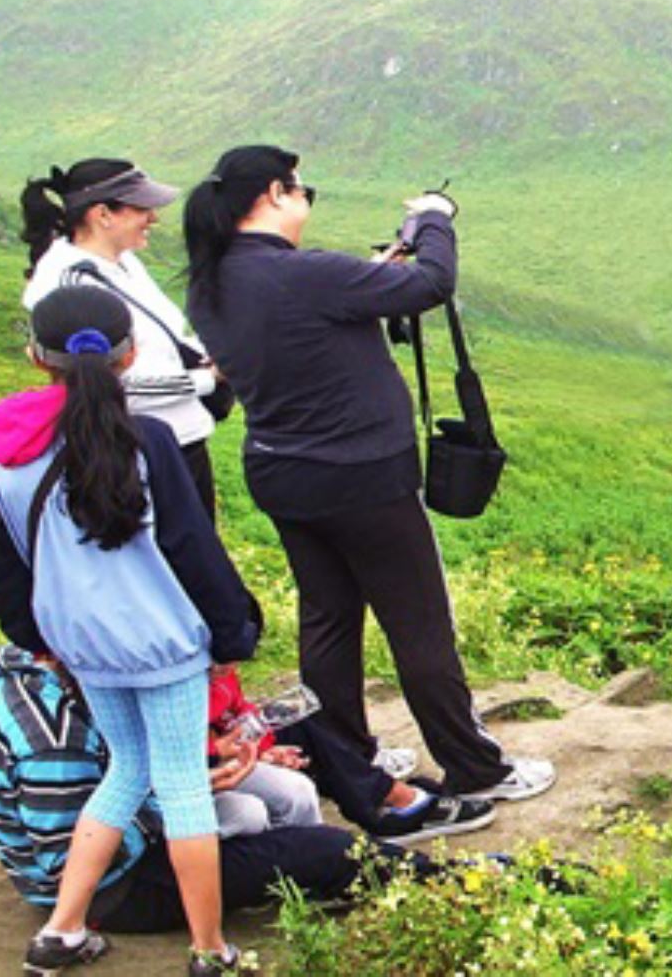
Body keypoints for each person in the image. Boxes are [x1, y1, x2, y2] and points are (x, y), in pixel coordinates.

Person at [183, 144, 553, 803]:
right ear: (272, 194)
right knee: (419, 625)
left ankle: (347, 758)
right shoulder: (309, 275)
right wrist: (435, 219)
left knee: (328, 620)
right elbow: (432, 284)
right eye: (303, 192)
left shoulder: (211, 283)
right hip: (364, 478)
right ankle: (476, 769)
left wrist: (367, 275)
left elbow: (305, 322)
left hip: (282, 472)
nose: (304, 202)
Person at [0, 285, 259, 975]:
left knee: (127, 769)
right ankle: (209, 948)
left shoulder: (0, 449)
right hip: (164, 643)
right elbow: (193, 548)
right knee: (183, 783)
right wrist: (234, 634)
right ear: (129, 356)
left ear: (35, 358)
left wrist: (42, 641)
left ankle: (63, 929)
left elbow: (1, 562)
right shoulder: (149, 440)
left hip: (83, 646)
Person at [0, 645, 452, 945]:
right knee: (320, 849)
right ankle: (459, 878)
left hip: (139, 822)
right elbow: (66, 862)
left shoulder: (65, 683)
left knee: (293, 731)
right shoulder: (53, 740)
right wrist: (186, 793)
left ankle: (392, 801)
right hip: (115, 891)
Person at [20, 158, 226, 519]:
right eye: (142, 208)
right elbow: (110, 383)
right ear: (103, 215)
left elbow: (167, 336)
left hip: (179, 438)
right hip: (141, 446)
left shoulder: (122, 261)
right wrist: (208, 379)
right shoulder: (71, 286)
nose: (153, 218)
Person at [206, 666, 497, 845]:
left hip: (225, 749)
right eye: (219, 661)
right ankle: (391, 802)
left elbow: (236, 708)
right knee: (255, 810)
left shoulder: (220, 668)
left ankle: (384, 800)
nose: (229, 667)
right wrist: (216, 752)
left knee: (299, 723)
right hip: (197, 768)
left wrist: (261, 748)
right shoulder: (179, 673)